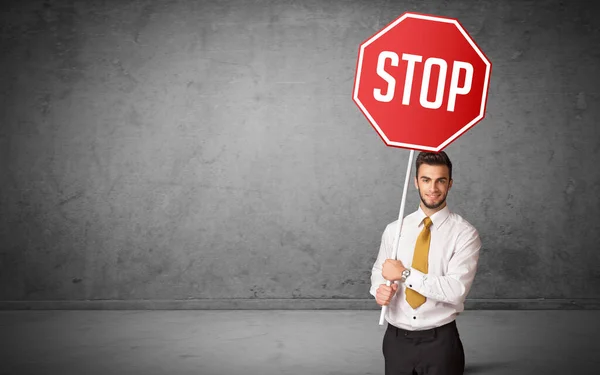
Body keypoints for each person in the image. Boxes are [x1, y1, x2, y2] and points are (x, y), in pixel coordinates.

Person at [370, 151, 481, 375]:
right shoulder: (395, 229)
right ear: (415, 183)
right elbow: (379, 271)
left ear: (450, 184)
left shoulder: (465, 234)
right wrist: (378, 290)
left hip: (441, 341)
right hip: (396, 340)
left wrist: (405, 275)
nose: (433, 188)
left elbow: (455, 290)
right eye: (426, 180)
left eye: (440, 180)